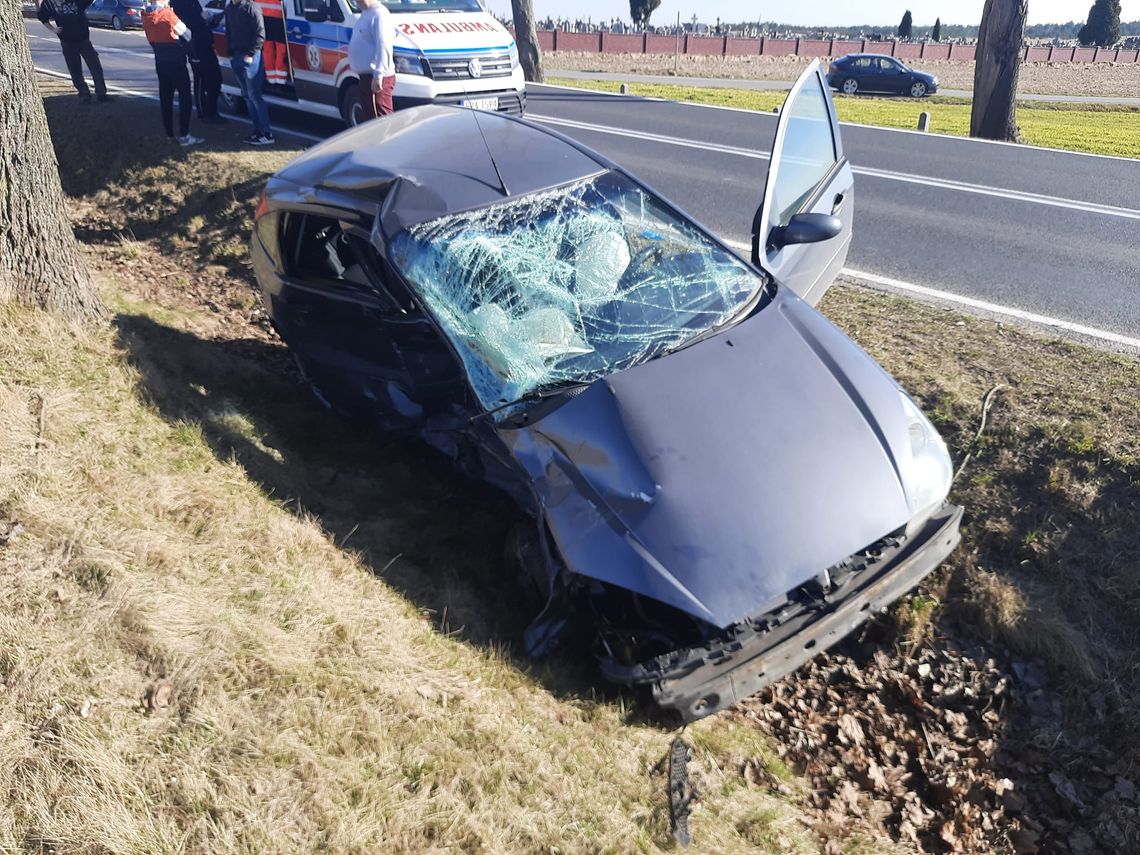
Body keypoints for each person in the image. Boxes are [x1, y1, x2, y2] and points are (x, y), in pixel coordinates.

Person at [143, 0, 204, 145]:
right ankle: (184, 135)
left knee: (166, 98)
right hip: (176, 60)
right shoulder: (168, 15)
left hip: (160, 61)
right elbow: (188, 34)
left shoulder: (145, 17)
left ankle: (170, 135)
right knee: (185, 97)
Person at [38, 0, 109, 103]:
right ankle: (84, 94)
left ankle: (101, 93)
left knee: (95, 66)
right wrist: (53, 29)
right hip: (67, 41)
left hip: (84, 39)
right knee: (75, 70)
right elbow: (42, 17)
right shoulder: (50, 2)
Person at [224, 0, 274, 144]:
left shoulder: (252, 7)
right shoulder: (230, 8)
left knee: (254, 95)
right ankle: (257, 131)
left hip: (250, 57)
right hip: (236, 56)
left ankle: (266, 133)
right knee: (246, 95)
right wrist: (230, 52)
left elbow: (260, 33)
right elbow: (228, 31)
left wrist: (251, 54)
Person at [170, 0, 224, 123]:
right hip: (194, 46)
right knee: (200, 79)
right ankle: (203, 113)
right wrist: (202, 19)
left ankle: (212, 111)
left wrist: (211, 20)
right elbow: (186, 26)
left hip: (206, 43)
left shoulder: (193, 2)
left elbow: (200, 22)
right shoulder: (180, 4)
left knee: (215, 79)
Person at [348, 0, 396, 119]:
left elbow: (383, 45)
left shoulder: (380, 14)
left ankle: (388, 138)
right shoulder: (366, 14)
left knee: (382, 117)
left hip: (377, 78)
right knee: (370, 121)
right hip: (365, 78)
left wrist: (379, 75)